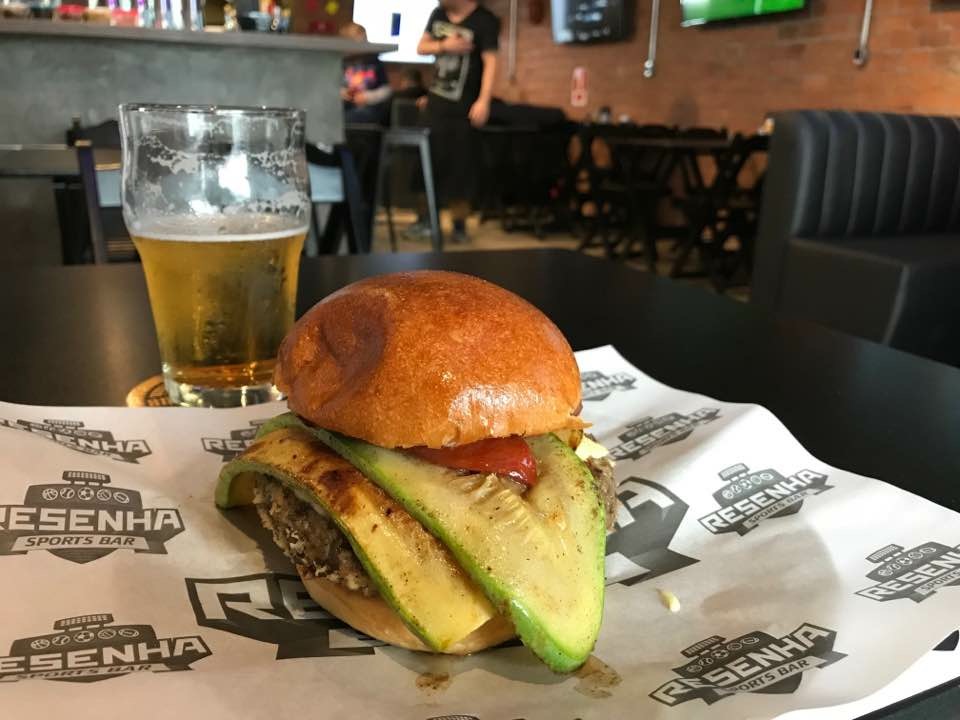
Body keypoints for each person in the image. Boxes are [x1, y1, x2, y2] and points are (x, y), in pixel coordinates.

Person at [417, 0, 500, 243]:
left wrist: (484, 100)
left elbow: (491, 62)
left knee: (461, 167)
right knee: (427, 163)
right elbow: (421, 47)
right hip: (436, 105)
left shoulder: (485, 20)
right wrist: (444, 45)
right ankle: (425, 220)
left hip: (464, 107)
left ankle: (459, 225)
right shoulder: (438, 14)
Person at [340, 23, 393, 125]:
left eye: (363, 41)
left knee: (354, 117)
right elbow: (334, 87)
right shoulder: (343, 64)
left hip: (370, 107)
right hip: (346, 105)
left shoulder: (375, 63)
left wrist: (367, 97)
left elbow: (386, 90)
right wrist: (344, 93)